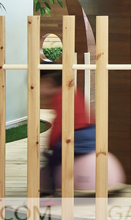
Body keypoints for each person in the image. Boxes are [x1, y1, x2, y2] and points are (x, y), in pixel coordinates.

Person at [38, 62, 95, 196]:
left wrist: (50, 145)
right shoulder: (72, 90)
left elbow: (60, 125)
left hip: (78, 136)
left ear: (48, 82)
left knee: (52, 161)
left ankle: (50, 190)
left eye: (39, 84)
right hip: (91, 132)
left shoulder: (61, 96)